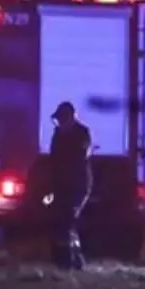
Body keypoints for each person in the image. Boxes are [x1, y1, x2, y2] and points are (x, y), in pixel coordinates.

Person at [43, 101, 93, 270]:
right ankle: (73, 259)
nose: (59, 123)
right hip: (61, 184)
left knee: (67, 220)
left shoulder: (82, 134)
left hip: (78, 184)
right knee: (63, 222)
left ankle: (68, 260)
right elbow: (53, 160)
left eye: (62, 119)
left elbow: (79, 157)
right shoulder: (58, 135)